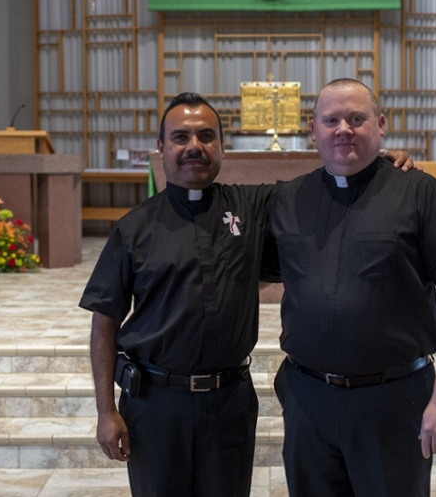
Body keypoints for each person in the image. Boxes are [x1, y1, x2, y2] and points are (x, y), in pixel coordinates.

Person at [79, 91, 415, 497]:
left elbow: (321, 183)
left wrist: (372, 160)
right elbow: (104, 323)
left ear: (222, 146)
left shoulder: (252, 207)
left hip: (229, 404)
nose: (194, 147)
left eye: (206, 136)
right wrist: (105, 410)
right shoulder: (132, 228)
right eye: (181, 137)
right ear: (161, 147)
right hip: (154, 405)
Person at [265, 79, 436, 496]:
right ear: (312, 130)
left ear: (381, 124)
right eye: (331, 120)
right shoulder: (286, 200)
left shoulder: (418, 192)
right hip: (308, 401)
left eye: (357, 118)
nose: (343, 130)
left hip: (393, 401)